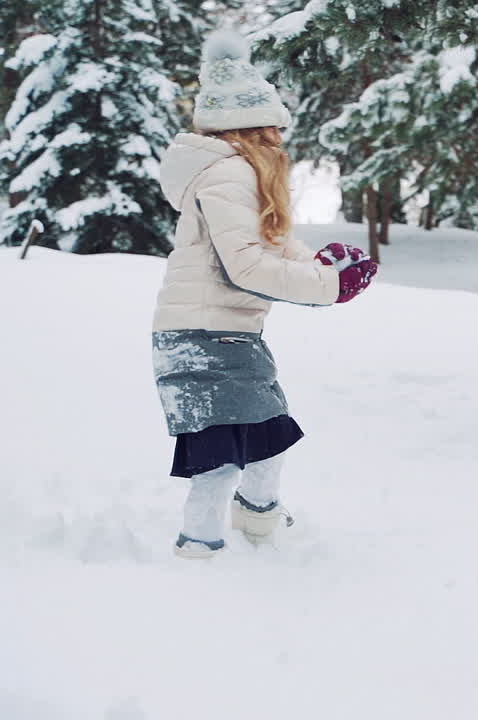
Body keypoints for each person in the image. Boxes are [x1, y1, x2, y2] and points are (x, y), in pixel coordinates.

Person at [152, 29, 377, 558]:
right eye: (274, 127)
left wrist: (323, 267)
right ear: (250, 128)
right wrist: (328, 287)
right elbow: (248, 266)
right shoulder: (228, 174)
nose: (281, 138)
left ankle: (259, 521)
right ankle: (201, 549)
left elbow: (272, 242)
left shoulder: (235, 174)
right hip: (205, 336)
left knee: (268, 435)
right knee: (221, 456)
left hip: (222, 333)